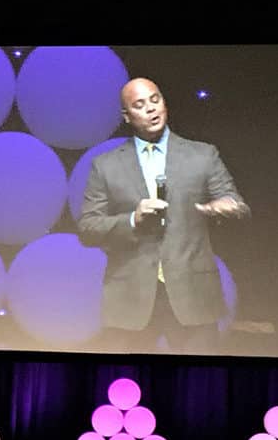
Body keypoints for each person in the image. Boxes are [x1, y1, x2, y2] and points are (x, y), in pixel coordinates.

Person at [78, 77, 249, 351]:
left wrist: (226, 206)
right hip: (130, 299)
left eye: (155, 99)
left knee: (199, 385)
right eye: (139, 105)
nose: (151, 109)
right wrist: (133, 218)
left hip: (193, 296)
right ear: (127, 116)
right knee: (125, 386)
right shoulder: (105, 166)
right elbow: (88, 228)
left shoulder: (202, 155)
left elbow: (235, 201)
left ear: (164, 102)